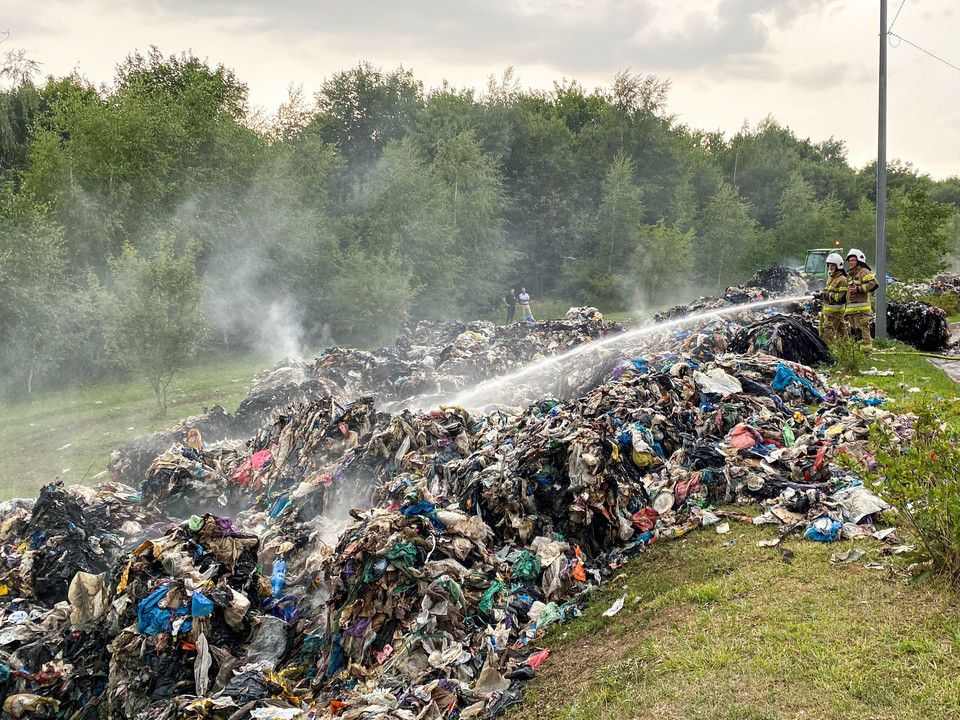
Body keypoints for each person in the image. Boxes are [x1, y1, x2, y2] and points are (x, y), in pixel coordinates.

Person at [845, 248, 879, 345]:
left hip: (860, 311)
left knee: (863, 332)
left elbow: (874, 283)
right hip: (852, 312)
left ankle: (867, 353)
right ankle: (857, 353)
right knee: (855, 334)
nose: (850, 263)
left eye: (853, 260)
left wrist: (859, 289)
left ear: (859, 260)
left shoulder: (863, 272)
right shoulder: (852, 275)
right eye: (849, 261)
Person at [819, 252, 848, 343]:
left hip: (835, 313)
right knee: (842, 334)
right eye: (829, 265)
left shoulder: (842, 279)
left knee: (827, 335)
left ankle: (828, 354)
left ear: (838, 265)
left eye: (832, 265)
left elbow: (842, 298)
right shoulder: (831, 277)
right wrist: (821, 293)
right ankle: (846, 352)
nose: (830, 267)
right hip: (830, 312)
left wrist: (828, 296)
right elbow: (829, 290)